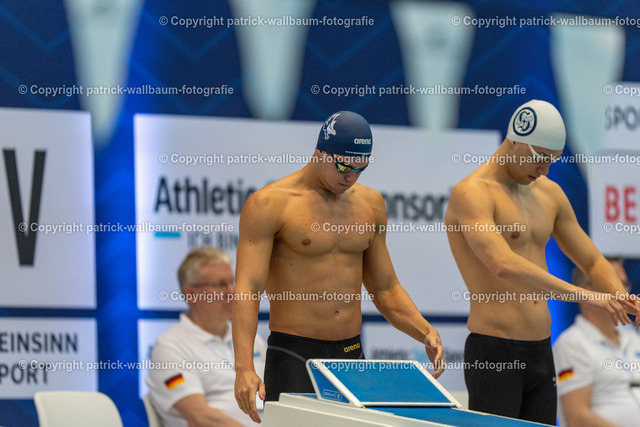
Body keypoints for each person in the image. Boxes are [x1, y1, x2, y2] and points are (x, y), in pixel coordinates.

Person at [232, 111, 445, 424]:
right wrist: (244, 368)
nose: (351, 177)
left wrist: (425, 331)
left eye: (361, 168)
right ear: (321, 152)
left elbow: (385, 288)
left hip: (351, 354)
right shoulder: (270, 203)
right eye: (344, 166)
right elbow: (248, 290)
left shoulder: (371, 204)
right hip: (293, 355)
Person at [445, 99, 639, 424]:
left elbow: (592, 260)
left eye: (552, 161)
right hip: (495, 352)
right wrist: (588, 296)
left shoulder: (549, 193)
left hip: (541, 352)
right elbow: (503, 264)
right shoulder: (472, 193)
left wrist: (620, 298)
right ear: (515, 139)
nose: (544, 170)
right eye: (540, 158)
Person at [146, 246, 267, 427]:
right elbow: (199, 417)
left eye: (232, 282)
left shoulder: (253, 340)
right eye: (220, 285)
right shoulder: (169, 347)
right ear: (191, 294)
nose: (232, 291)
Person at [554, 259, 640, 427]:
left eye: (625, 285)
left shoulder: (632, 336)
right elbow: (577, 418)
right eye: (616, 286)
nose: (626, 295)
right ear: (587, 292)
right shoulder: (571, 344)